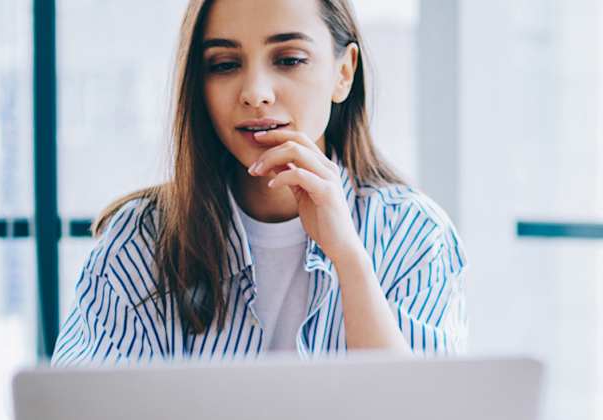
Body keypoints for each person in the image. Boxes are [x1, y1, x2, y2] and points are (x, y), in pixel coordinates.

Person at [52, 0, 467, 365]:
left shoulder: (414, 235)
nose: (255, 93)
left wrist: (349, 257)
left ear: (344, 72)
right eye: (224, 65)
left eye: (288, 59)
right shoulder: (140, 241)